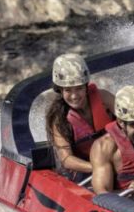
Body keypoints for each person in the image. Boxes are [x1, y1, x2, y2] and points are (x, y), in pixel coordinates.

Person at [45, 53, 116, 181]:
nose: (74, 96)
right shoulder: (58, 118)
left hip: (116, 158)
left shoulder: (104, 98)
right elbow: (66, 159)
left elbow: (133, 120)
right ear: (60, 91)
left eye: (78, 89)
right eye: (68, 90)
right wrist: (98, 168)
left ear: (86, 87)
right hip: (85, 170)